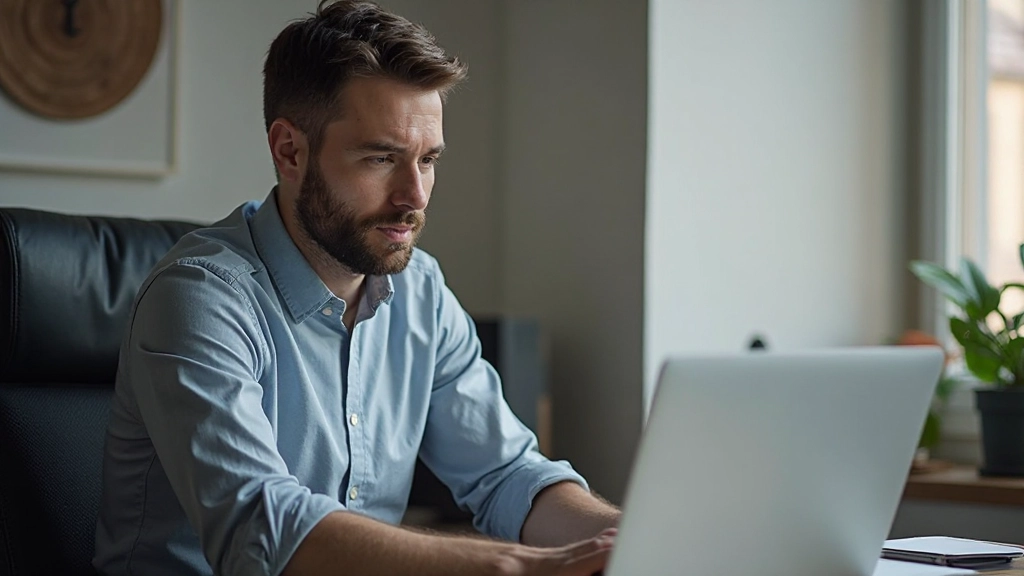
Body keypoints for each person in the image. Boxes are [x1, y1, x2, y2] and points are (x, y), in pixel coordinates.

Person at [93, 1, 621, 575]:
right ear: (289, 151)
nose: (414, 196)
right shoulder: (199, 299)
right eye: (381, 158)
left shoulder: (420, 292)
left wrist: (625, 542)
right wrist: (515, 566)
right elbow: (264, 525)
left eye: (428, 160)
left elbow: (506, 475)